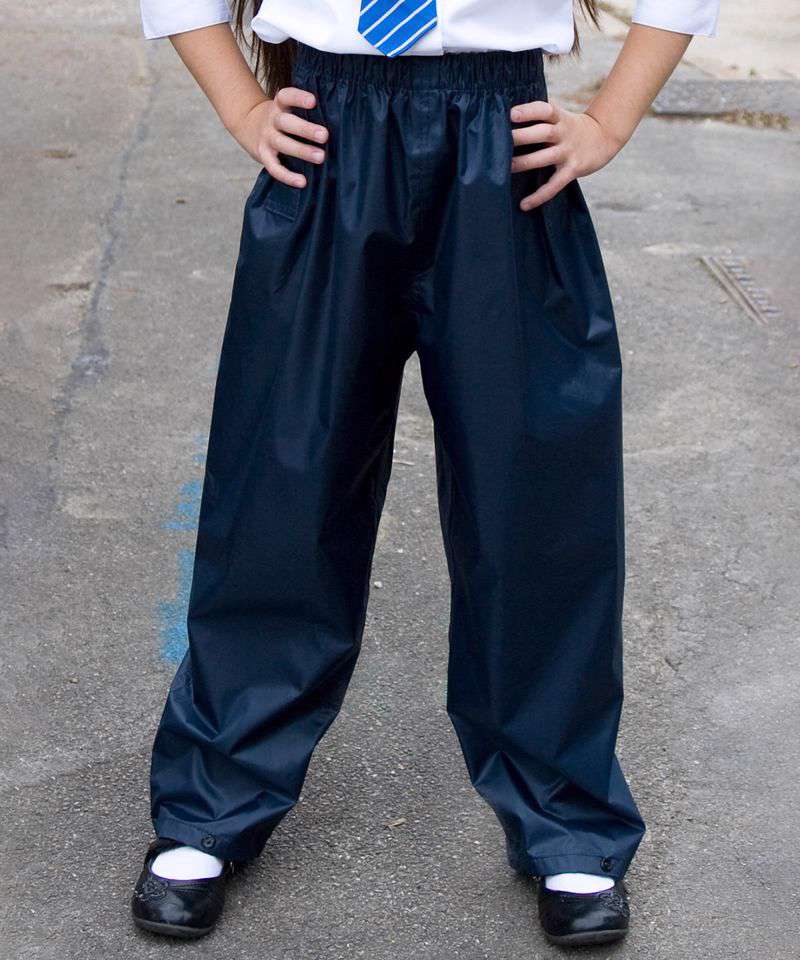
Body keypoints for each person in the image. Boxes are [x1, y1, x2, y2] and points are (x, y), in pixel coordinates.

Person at [130, 0, 719, 946]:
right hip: (329, 132)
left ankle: (565, 816)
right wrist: (242, 105)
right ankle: (213, 799)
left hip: (500, 140)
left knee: (533, 493)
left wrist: (609, 119)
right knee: (283, 483)